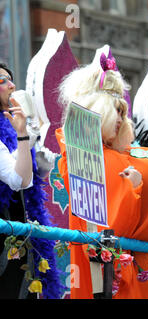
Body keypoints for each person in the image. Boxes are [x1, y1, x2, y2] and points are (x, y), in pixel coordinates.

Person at [56, 57, 148, 299]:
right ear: (98, 113)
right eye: (114, 112)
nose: (120, 119)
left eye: (121, 112)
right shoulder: (100, 158)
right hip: (110, 264)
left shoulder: (93, 155)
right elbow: (117, 225)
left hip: (119, 260)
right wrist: (134, 188)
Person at [1, 63, 63, 299]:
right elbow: (19, 180)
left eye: (10, 79)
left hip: (19, 235)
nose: (12, 85)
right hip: (6, 236)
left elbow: (32, 177)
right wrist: (23, 136)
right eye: (2, 80)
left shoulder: (12, 124)